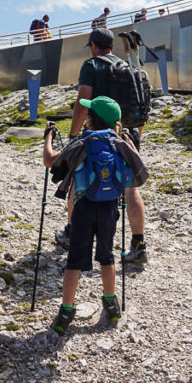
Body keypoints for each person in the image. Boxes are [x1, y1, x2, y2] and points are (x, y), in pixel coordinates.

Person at [44, 96, 147, 333]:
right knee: (107, 255)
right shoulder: (118, 142)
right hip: (109, 208)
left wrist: (48, 138)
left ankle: (66, 312)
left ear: (91, 119)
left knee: (74, 260)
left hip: (83, 207)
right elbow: (138, 167)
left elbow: (50, 161)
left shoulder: (83, 141)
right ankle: (110, 303)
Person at [70, 28, 149, 265]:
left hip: (98, 133)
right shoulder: (129, 68)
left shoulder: (91, 65)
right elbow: (140, 107)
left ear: (93, 45)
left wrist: (74, 134)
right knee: (130, 186)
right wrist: (135, 138)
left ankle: (72, 232)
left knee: (80, 180)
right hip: (127, 133)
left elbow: (83, 101)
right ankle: (138, 244)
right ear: (111, 46)